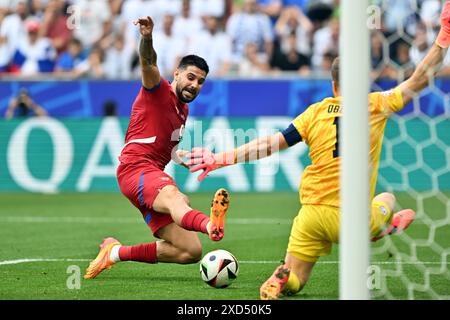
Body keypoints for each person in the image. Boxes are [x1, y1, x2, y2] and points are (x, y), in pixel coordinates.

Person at [184, 1, 450, 300]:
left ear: (332, 83)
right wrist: (444, 35)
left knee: (297, 279)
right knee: (387, 198)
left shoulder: (315, 113)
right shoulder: (374, 104)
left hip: (311, 214)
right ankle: (378, 228)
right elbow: (420, 79)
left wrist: (219, 159)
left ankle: (282, 278)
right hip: (352, 218)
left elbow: (269, 144)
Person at [84, 16, 230, 279]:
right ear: (176, 74)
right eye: (190, 77)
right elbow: (148, 62)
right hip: (136, 170)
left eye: (200, 82)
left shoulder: (183, 111)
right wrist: (147, 37)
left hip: (149, 175)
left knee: (190, 251)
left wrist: (179, 155)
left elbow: (162, 144)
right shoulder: (157, 89)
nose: (194, 85)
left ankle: (114, 253)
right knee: (176, 198)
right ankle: (210, 225)